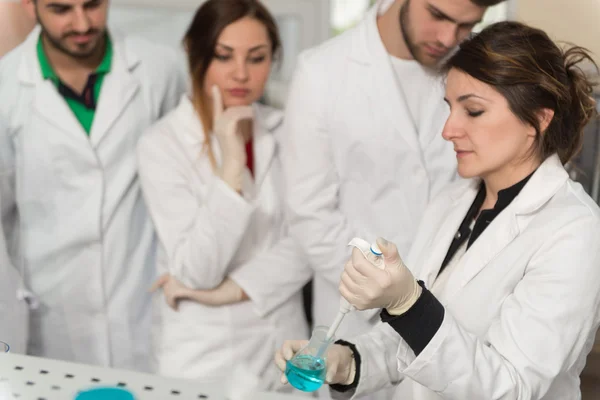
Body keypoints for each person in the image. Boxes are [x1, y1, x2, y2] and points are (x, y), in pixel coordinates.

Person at [276, 20, 600, 399]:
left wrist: (409, 304)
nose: (448, 129)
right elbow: (411, 343)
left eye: (473, 111)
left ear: (538, 120)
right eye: (449, 108)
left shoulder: (575, 230)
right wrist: (348, 360)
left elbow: (511, 387)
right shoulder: (452, 201)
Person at [188, 0, 506, 346]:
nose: (448, 38)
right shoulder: (321, 72)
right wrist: (393, 294)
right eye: (437, 15)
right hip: (358, 316)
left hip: (455, 313)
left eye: (466, 25)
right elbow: (311, 214)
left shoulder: (476, 67)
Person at [0, 0, 187, 370]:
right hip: (51, 311)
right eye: (61, 9)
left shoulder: (158, 70)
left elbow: (184, 181)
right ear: (30, 5)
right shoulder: (5, 87)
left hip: (143, 300)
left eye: (92, 5)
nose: (82, 23)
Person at [137, 0, 308, 387]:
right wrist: (231, 165)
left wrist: (231, 290)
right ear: (194, 53)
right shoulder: (162, 144)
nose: (241, 74)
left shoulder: (286, 130)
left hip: (284, 348)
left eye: (258, 57)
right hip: (204, 359)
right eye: (224, 56)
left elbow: (309, 242)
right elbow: (197, 270)